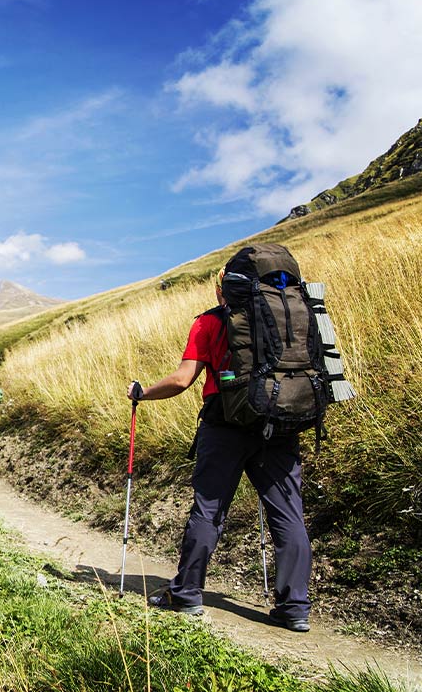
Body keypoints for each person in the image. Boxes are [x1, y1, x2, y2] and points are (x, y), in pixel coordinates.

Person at [127, 267, 312, 633]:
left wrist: (142, 392)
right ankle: (294, 608)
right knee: (289, 515)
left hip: (224, 426)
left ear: (220, 289)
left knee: (209, 509)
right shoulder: (294, 316)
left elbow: (182, 380)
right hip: (281, 426)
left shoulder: (210, 322)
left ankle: (186, 594)